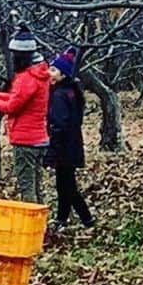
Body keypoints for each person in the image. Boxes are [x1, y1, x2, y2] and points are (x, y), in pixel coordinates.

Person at [0, 25, 51, 204]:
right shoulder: (40, 75)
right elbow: (18, 99)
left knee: (27, 187)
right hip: (39, 138)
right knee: (36, 185)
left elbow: (12, 106)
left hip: (25, 141)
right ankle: (40, 223)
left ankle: (31, 227)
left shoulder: (26, 78)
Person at [44, 46, 94, 231]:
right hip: (72, 145)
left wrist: (52, 152)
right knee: (64, 184)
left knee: (67, 187)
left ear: (63, 75)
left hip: (64, 148)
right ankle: (62, 219)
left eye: (54, 70)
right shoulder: (72, 93)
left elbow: (58, 126)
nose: (50, 72)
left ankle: (86, 218)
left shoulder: (58, 95)